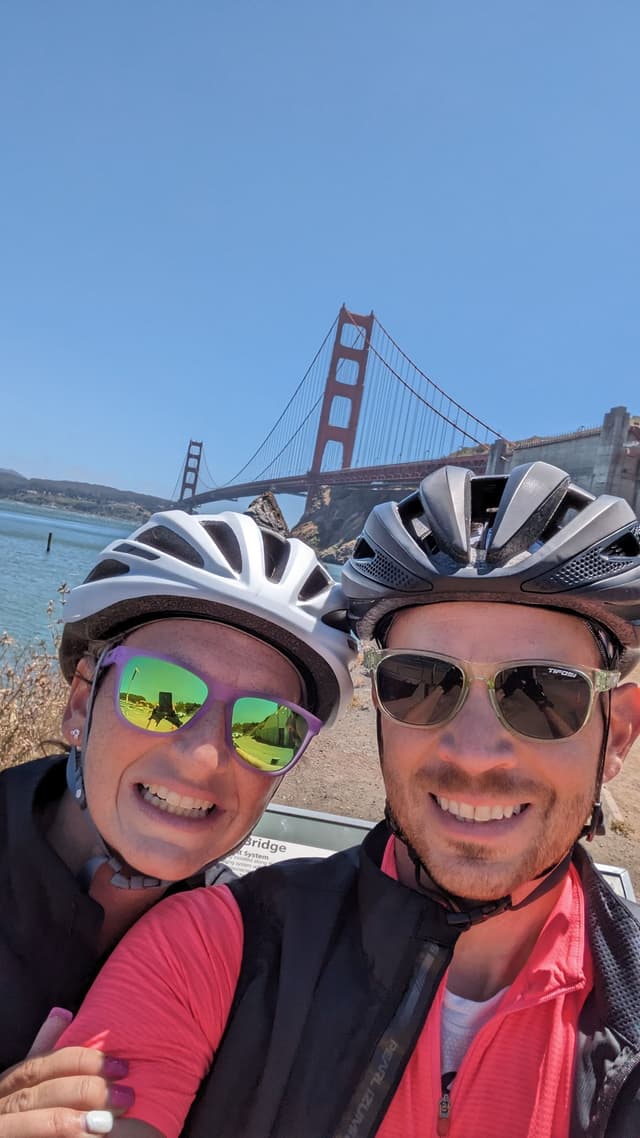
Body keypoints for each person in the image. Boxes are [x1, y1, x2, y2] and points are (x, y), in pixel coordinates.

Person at [10, 460, 640, 1137]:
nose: (473, 753)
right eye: (422, 684)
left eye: (542, 692)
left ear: (618, 735)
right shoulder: (216, 945)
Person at [0, 508, 354, 1105]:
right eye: (158, 694)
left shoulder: (247, 953)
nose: (203, 757)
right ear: (81, 705)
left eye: (267, 727)